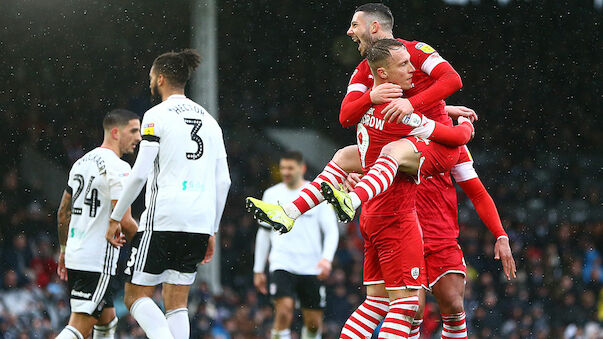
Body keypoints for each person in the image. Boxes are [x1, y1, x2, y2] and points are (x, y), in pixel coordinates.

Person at [249, 4, 516, 338]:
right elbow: (349, 115)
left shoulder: (413, 58)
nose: (349, 31)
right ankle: (341, 201)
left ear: (374, 27)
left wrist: (432, 110)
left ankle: (299, 208)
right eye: (402, 68)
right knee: (408, 307)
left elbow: (450, 87)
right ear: (383, 76)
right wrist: (439, 119)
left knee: (433, 302)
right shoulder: (370, 76)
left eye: (354, 24)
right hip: (395, 207)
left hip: (424, 217)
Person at [107, 49, 231, 339]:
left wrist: (115, 217)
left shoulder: (155, 115)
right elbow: (223, 181)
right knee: (176, 305)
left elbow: (139, 173)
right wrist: (211, 230)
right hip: (200, 222)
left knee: (134, 296)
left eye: (152, 77)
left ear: (160, 78)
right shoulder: (211, 122)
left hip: (164, 217)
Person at [55, 109, 141, 339]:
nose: (139, 138)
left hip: (76, 255)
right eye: (133, 131)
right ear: (115, 132)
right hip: (96, 261)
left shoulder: (81, 163)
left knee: (107, 319)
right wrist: (147, 242)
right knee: (79, 326)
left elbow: (63, 213)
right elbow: (124, 221)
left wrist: (63, 250)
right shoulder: (120, 168)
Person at [253, 151, 339, 339]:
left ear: (302, 168)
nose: (286, 172)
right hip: (282, 263)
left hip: (311, 266)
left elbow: (331, 231)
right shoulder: (271, 194)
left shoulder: (317, 193)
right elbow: (264, 232)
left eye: (290, 168)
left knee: (314, 324)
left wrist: (327, 259)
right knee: (284, 312)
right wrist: (258, 269)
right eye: (283, 168)